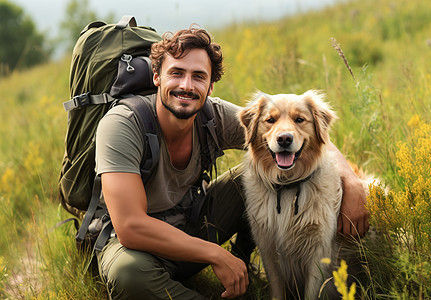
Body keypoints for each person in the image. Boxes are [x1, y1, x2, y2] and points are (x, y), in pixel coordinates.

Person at [95, 25, 369, 300]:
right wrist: (215, 254)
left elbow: (296, 136)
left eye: (198, 76)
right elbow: (130, 227)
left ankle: (246, 266)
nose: (187, 86)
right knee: (129, 275)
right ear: (157, 76)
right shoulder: (122, 125)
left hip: (191, 226)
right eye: (176, 73)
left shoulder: (212, 115)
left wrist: (352, 182)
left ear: (211, 85)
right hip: (137, 246)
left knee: (255, 175)